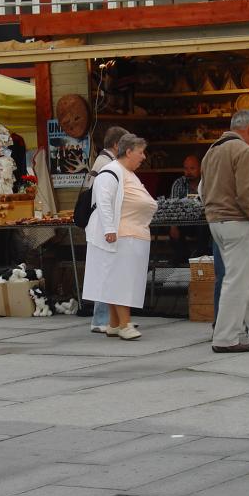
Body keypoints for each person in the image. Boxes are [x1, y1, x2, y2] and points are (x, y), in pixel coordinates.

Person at [201, 110, 249, 353]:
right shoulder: (244, 151)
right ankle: (225, 338)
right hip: (240, 221)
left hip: (217, 221)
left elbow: (203, 190)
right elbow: (247, 192)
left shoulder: (212, 150)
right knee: (238, 280)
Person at [83, 133, 157, 340]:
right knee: (120, 281)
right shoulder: (111, 171)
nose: (144, 157)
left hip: (130, 234)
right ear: (129, 151)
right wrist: (109, 229)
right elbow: (104, 201)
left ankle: (115, 323)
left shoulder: (127, 172)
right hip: (119, 235)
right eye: (141, 152)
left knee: (120, 279)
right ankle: (124, 325)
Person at [212, 120, 249, 320]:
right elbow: (244, 193)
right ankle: (224, 327)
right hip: (234, 219)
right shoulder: (228, 153)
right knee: (229, 276)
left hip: (247, 219)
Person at [85, 125, 129, 333]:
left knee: (106, 271)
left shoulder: (105, 162)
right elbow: (103, 199)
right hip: (103, 225)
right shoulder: (107, 164)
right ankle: (101, 319)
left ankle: (110, 319)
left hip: (104, 223)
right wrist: (110, 228)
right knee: (105, 271)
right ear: (117, 145)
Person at [169, 154, 210, 264]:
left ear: (200, 169)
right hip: (184, 223)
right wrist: (173, 227)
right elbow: (172, 207)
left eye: (192, 168)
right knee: (174, 231)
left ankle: (201, 261)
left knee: (204, 227)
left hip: (203, 223)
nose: (188, 172)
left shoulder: (207, 183)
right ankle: (182, 260)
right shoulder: (179, 183)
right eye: (186, 168)